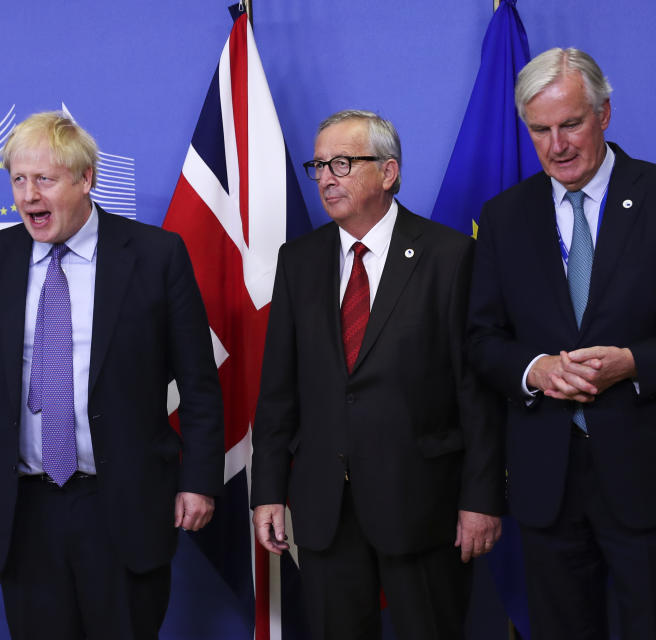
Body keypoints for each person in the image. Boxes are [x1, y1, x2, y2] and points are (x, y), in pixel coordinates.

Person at [0, 111, 223, 639]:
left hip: (123, 504)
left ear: (85, 180)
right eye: (19, 180)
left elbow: (199, 384)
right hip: (23, 509)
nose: (29, 196)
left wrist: (199, 481)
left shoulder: (155, 254)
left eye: (45, 180)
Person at [250, 110, 504, 639]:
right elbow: (278, 390)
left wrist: (481, 498)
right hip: (325, 509)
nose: (324, 178)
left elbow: (474, 393)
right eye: (317, 165)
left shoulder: (450, 257)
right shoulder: (299, 261)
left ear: (388, 173)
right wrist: (268, 490)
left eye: (341, 163)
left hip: (423, 507)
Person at [468, 47, 656, 639]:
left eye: (571, 124)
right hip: (547, 480)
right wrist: (535, 368)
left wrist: (634, 363)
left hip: (645, 473)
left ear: (604, 114)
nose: (557, 145)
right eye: (540, 130)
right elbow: (481, 338)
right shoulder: (504, 216)